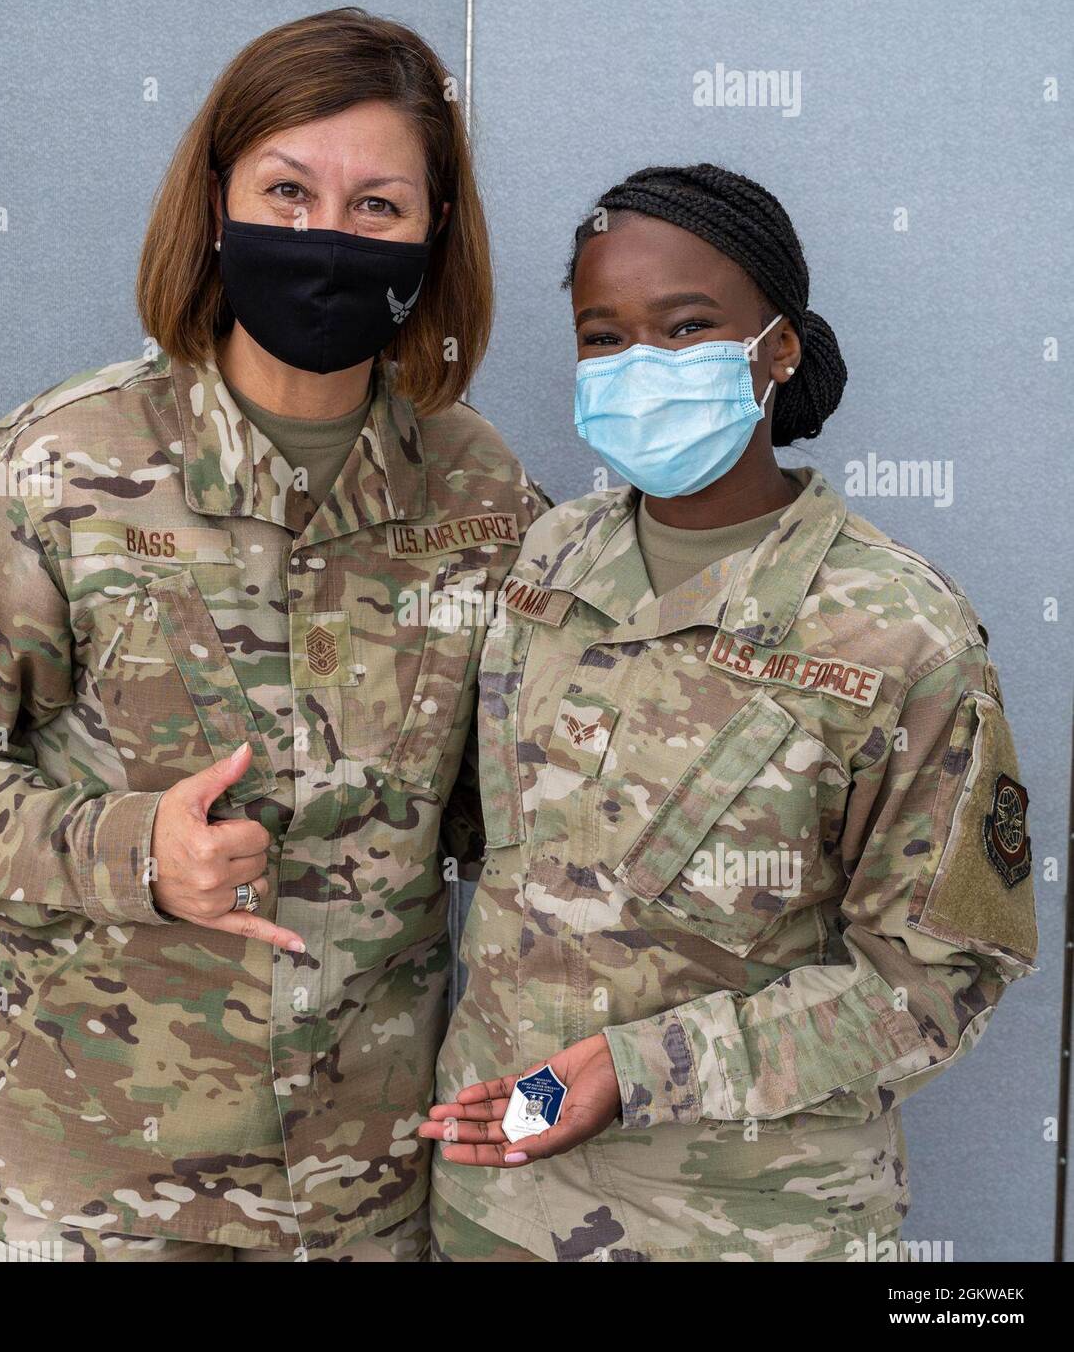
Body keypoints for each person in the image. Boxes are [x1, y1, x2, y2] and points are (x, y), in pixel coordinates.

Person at [0, 8, 547, 1262]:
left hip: (366, 1200)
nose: (326, 236)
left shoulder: (480, 496)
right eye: (288, 189)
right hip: (92, 1184)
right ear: (216, 204)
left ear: (434, 236)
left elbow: (517, 820)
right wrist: (131, 853)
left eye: (376, 205)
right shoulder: (63, 462)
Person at [422, 163, 1037, 1262]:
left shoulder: (897, 631)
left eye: (686, 326)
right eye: (601, 336)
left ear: (777, 348)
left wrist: (638, 1067)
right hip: (493, 1210)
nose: (636, 364)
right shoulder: (543, 561)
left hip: (749, 1228)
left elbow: (934, 982)